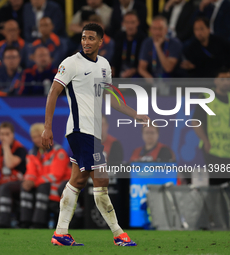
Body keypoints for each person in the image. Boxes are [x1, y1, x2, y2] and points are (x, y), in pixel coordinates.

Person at [42, 23, 149, 246]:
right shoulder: (71, 63)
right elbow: (53, 92)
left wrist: (134, 114)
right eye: (83, 38)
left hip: (93, 133)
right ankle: (119, 234)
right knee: (101, 180)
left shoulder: (104, 65)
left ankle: (60, 233)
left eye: (91, 38)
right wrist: (47, 127)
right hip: (80, 131)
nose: (86, 42)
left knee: (77, 180)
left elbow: (110, 97)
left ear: (101, 42)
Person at [192, 68, 230, 185]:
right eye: (222, 79)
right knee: (215, 182)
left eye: (228, 79)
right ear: (215, 81)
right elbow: (195, 121)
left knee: (226, 182)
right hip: (213, 148)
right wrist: (205, 141)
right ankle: (213, 203)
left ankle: (224, 203)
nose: (226, 82)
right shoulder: (206, 97)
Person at [20, 123, 71, 228]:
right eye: (34, 137)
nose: (37, 140)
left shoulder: (58, 151)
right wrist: (29, 181)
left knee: (42, 187)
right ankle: (25, 222)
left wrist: (35, 182)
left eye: (39, 136)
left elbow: (56, 175)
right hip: (42, 185)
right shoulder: (32, 153)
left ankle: (39, 223)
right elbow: (31, 172)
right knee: (25, 187)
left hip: (58, 186)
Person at [138, 15, 182, 80]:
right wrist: (151, 80)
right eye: (154, 29)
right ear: (150, 30)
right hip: (152, 77)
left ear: (166, 30)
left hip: (170, 77)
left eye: (160, 29)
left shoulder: (175, 43)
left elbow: (168, 69)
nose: (157, 32)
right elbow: (141, 68)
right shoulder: (147, 42)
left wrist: (158, 47)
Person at [112, 11, 147, 78]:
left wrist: (135, 69)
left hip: (137, 73)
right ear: (123, 23)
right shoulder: (118, 36)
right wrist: (112, 67)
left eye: (133, 22)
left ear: (138, 23)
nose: (130, 26)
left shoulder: (144, 39)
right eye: (127, 22)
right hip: (120, 72)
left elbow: (145, 62)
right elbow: (115, 57)